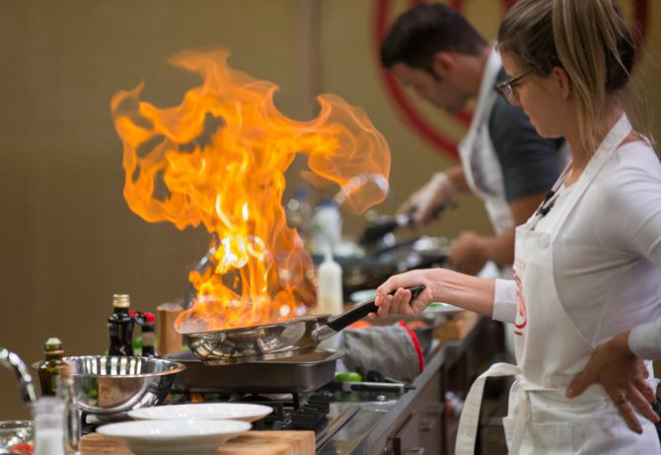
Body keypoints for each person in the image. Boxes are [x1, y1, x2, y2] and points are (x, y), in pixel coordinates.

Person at [374, 0, 661, 453]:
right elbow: (545, 299)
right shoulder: (578, 172)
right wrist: (438, 282)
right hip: (552, 432)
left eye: (516, 83)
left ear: (559, 81)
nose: (512, 98)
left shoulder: (624, 182)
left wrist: (630, 343)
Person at [381, 3, 567, 276]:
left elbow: (537, 233)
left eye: (418, 86)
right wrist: (449, 182)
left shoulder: (510, 111)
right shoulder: (498, 96)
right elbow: (513, 166)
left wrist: (479, 249)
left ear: (444, 65)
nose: (420, 97)